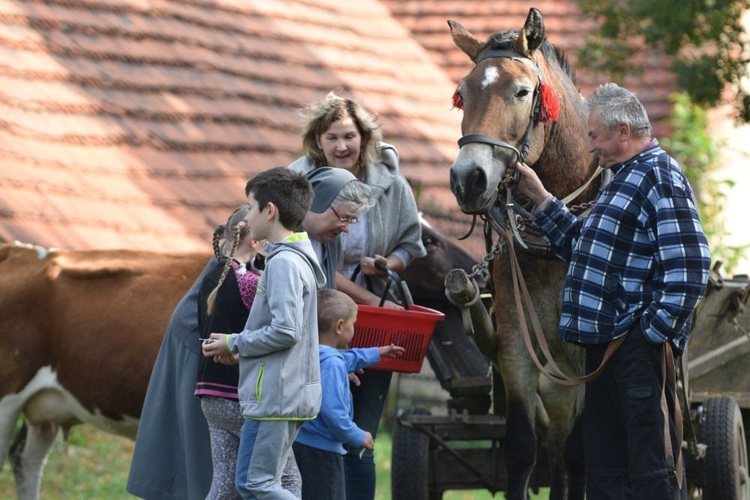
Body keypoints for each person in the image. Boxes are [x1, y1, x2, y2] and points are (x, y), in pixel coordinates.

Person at [514, 83, 711, 499]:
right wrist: (540, 198)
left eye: (594, 136)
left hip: (635, 350)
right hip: (606, 350)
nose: (590, 147)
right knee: (606, 471)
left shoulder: (658, 174)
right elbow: (580, 245)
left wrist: (650, 333)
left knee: (650, 468)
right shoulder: (620, 179)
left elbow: (691, 265)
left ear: (623, 131)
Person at [289, 91, 427, 499]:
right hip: (317, 319)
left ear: (364, 138)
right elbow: (317, 267)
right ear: (317, 141)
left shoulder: (391, 183)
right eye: (331, 137)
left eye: (349, 136)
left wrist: (387, 265)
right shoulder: (298, 184)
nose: (341, 146)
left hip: (371, 325)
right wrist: (370, 300)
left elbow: (411, 246)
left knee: (359, 436)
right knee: (313, 432)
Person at [202, 167, 325, 499]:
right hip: (278, 394)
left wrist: (234, 340)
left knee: (257, 484)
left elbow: (286, 331)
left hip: (274, 397)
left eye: (251, 207)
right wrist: (241, 349)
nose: (248, 217)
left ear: (269, 211)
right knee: (254, 482)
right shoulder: (290, 260)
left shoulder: (285, 263)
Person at [293, 288, 405, 500]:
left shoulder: (310, 353)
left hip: (301, 443)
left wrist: (377, 353)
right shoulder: (333, 365)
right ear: (340, 326)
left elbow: (347, 359)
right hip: (323, 452)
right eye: (353, 323)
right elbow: (333, 412)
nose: (354, 328)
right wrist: (357, 435)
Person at [194, 205, 270, 499]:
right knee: (287, 479)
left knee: (224, 485)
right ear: (254, 241)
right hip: (238, 393)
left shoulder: (213, 274)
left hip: (210, 392)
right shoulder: (251, 283)